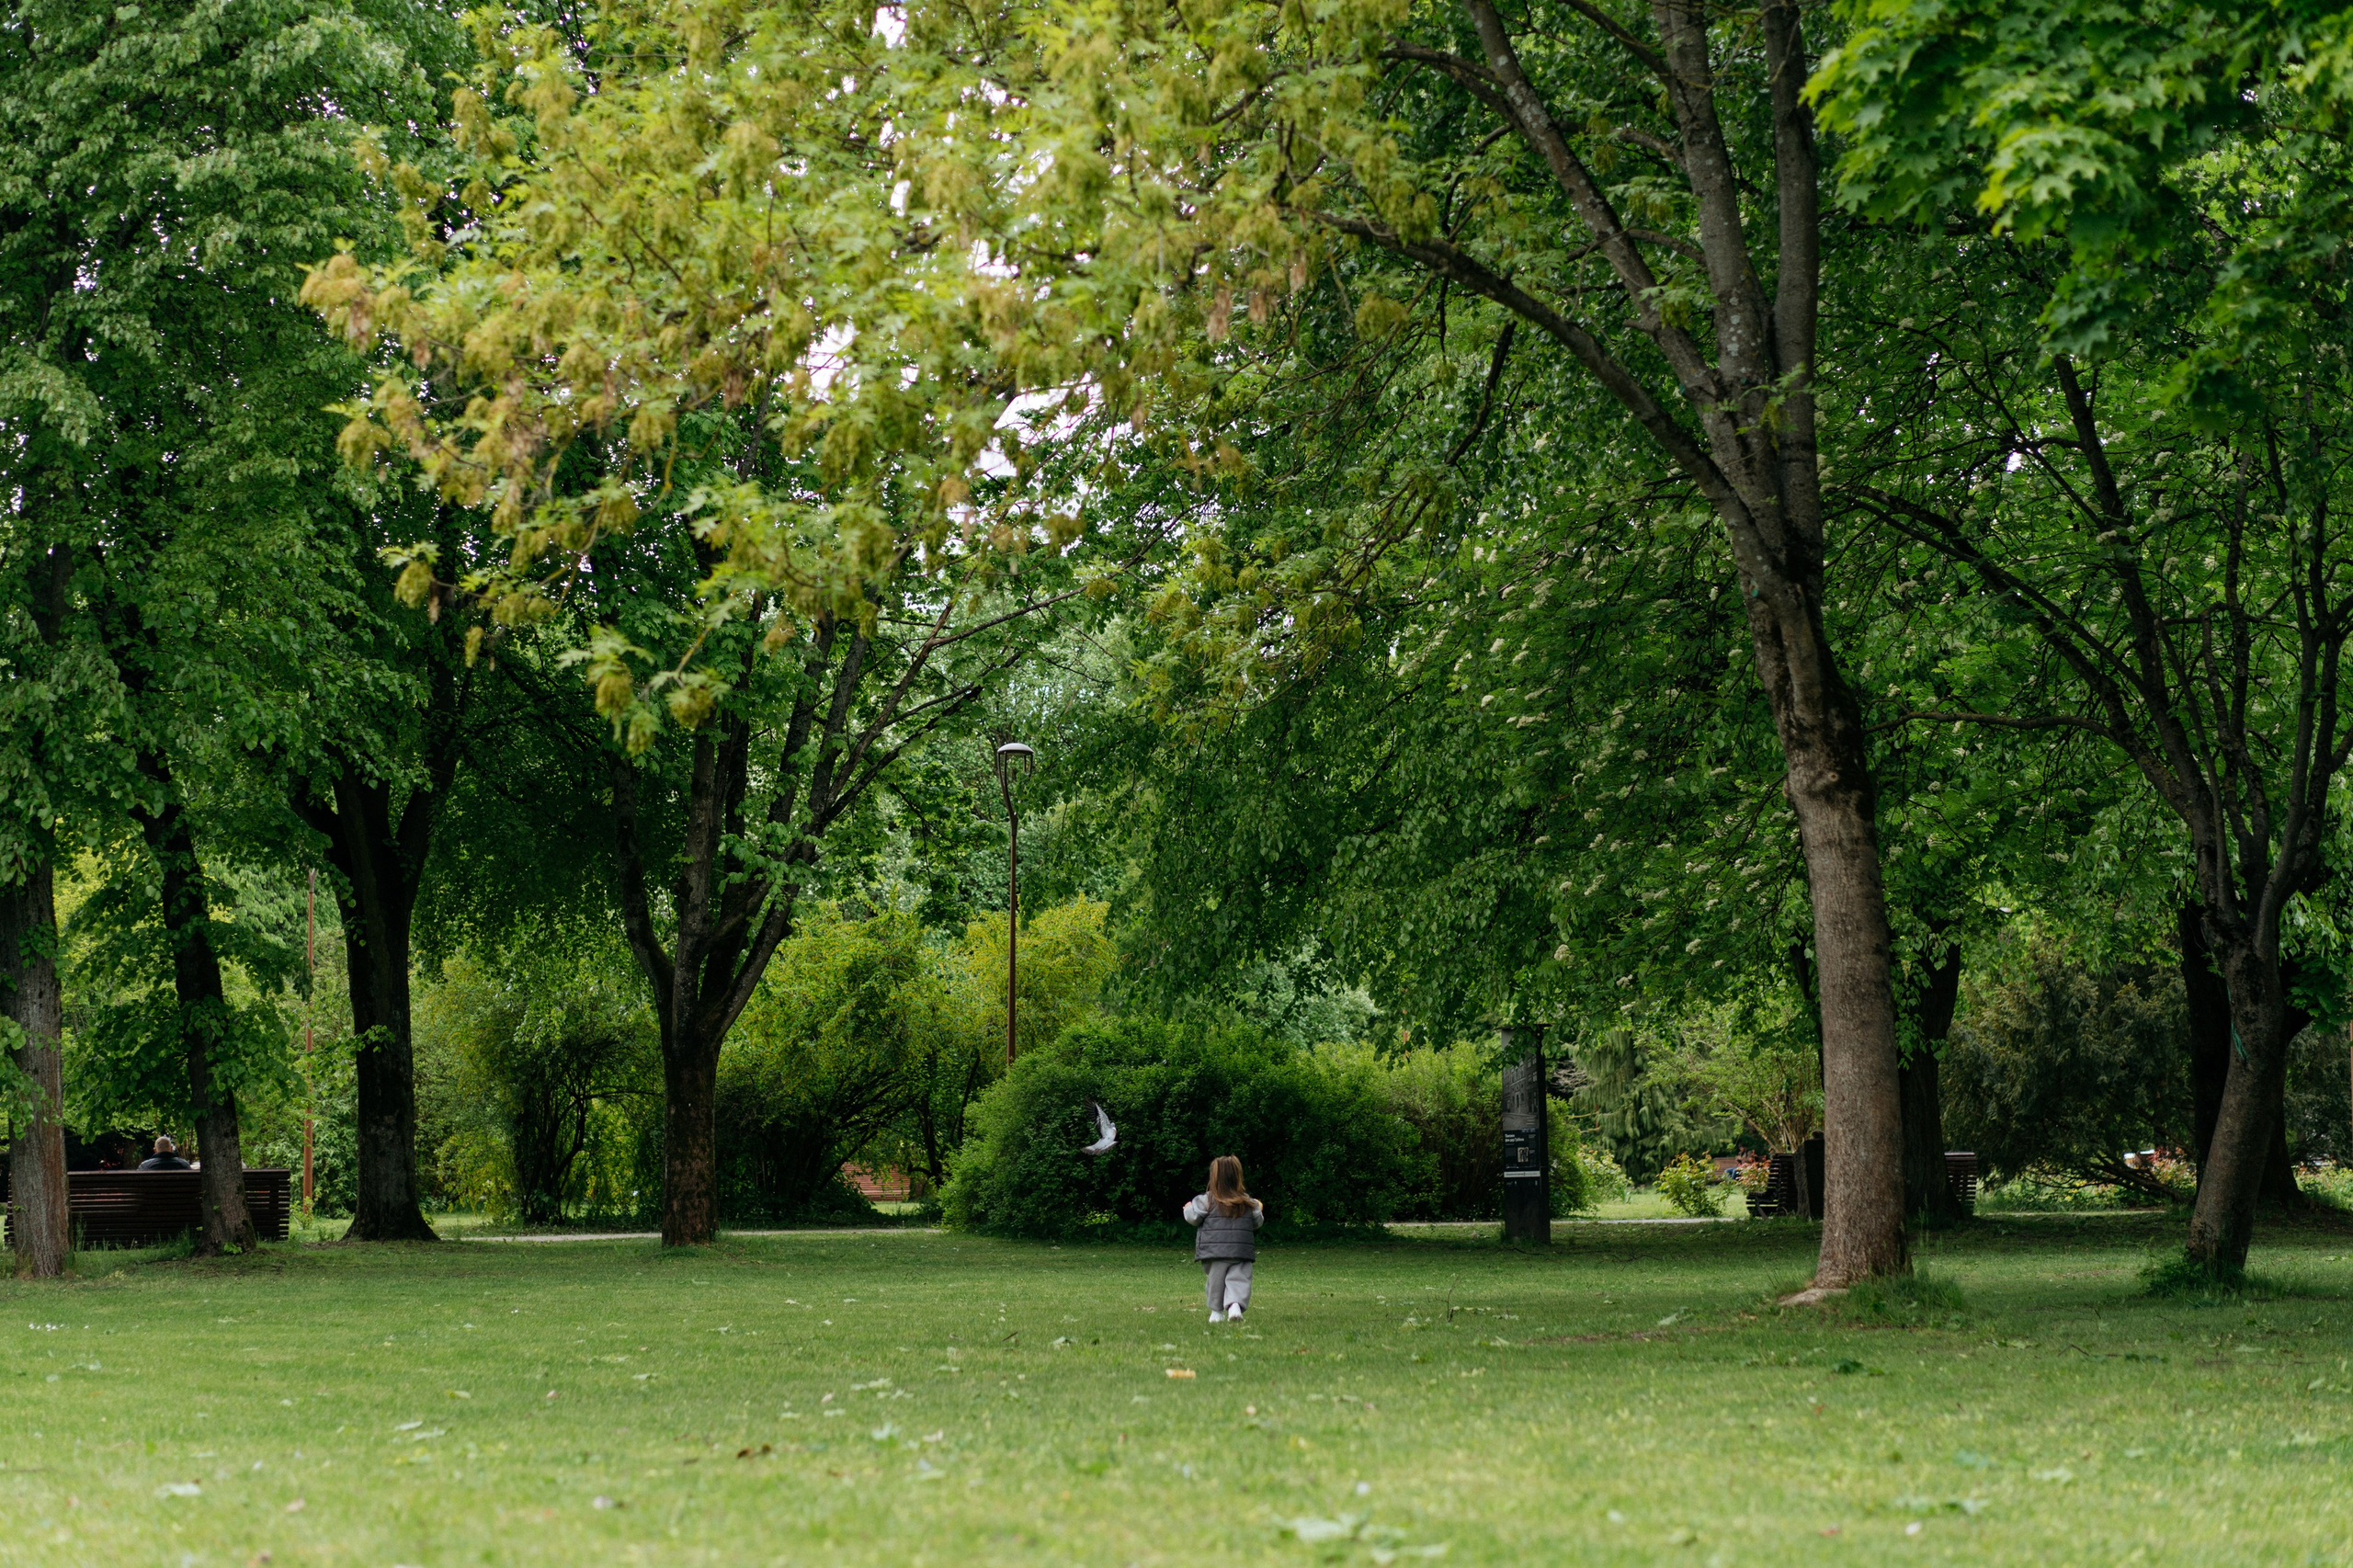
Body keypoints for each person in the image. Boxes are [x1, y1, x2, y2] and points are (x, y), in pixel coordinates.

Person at [1182, 1154, 1264, 1324]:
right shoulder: (1248, 1202)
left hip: (1214, 1251)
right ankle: (1235, 1306)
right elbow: (1257, 1222)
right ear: (1238, 1176)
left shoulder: (1206, 1200)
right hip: (1240, 1251)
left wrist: (1188, 1208)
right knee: (1239, 1279)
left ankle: (1216, 1312)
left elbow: (1194, 1218)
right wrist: (1259, 1209)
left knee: (1216, 1281)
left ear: (1214, 1177)